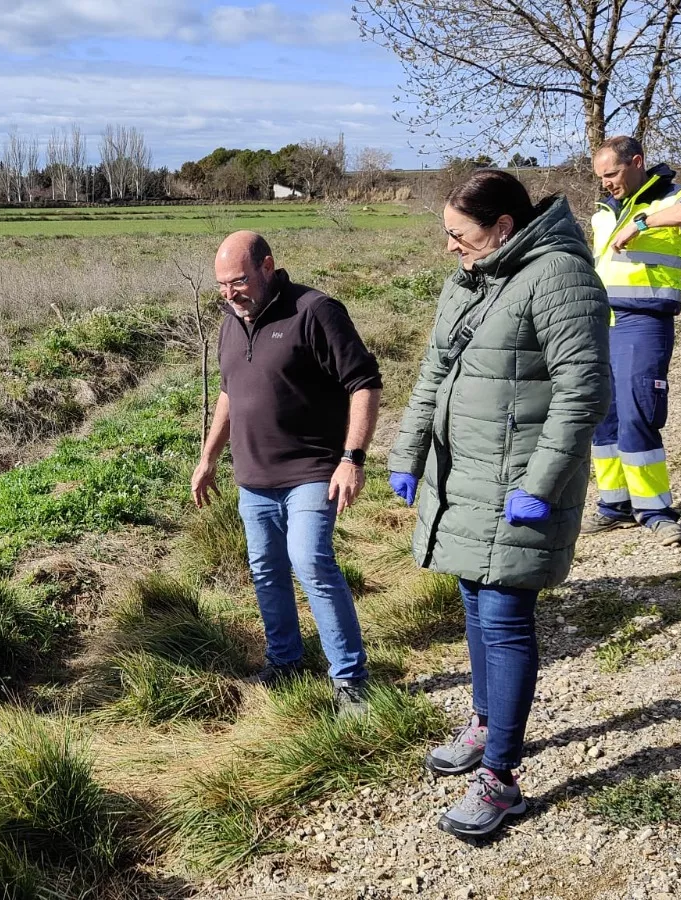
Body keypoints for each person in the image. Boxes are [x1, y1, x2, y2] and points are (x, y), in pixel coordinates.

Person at [387, 170, 611, 838]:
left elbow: (583, 390)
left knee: (507, 619)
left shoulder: (559, 277)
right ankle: (486, 724)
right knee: (474, 605)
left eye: (460, 234)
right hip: (463, 478)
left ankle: (501, 779)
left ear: (503, 227)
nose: (450, 247)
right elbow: (433, 373)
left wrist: (539, 486)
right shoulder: (470, 280)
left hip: (516, 485)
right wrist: (408, 453)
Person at [190, 230, 382, 718]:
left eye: (238, 282)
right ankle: (285, 661)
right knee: (266, 570)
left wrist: (352, 458)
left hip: (312, 470)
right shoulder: (230, 322)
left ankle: (350, 680)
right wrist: (208, 457)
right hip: (253, 478)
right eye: (221, 286)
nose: (230, 294)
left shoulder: (315, 311)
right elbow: (230, 393)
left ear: (267, 266)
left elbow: (364, 383)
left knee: (310, 561)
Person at [586, 136, 681, 546]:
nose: (606, 183)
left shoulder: (674, 198)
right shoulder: (605, 211)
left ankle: (656, 511)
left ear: (637, 162)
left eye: (611, 173)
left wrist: (641, 223)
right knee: (603, 417)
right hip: (600, 322)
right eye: (601, 177)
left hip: (642, 322)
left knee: (638, 414)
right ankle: (615, 506)